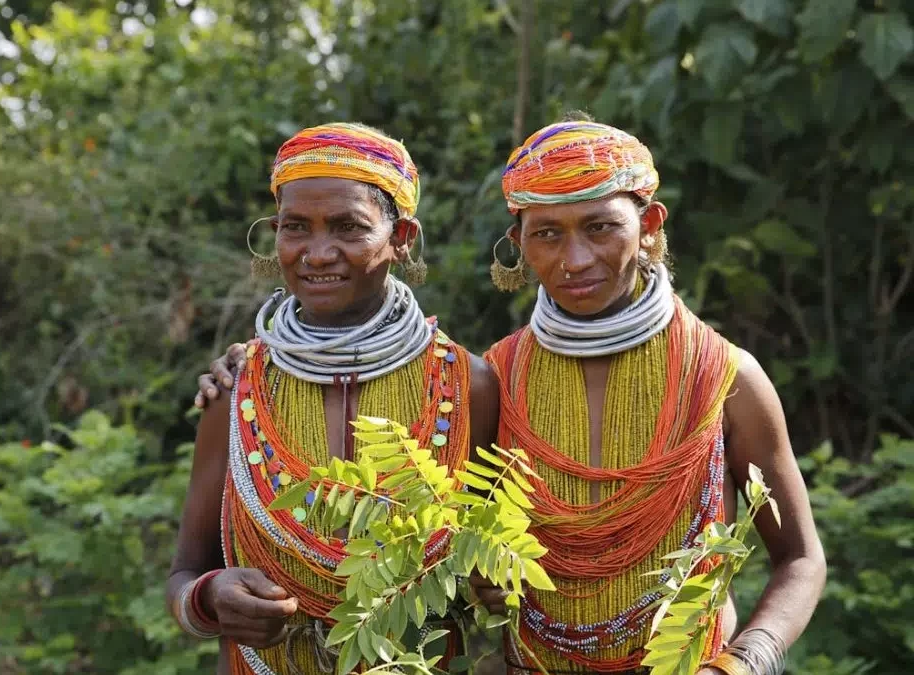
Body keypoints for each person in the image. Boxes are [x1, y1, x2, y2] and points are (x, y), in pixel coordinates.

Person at [200, 117, 826, 675]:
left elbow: (799, 558)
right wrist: (482, 583)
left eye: (602, 227)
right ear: (519, 243)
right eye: (547, 233)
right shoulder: (496, 379)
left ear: (650, 224)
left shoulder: (725, 378)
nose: (575, 258)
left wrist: (743, 662)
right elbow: (460, 548)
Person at [168, 122, 499, 675]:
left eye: (349, 227)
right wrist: (210, 597)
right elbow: (183, 573)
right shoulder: (238, 391)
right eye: (296, 228)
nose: (318, 254)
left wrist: (491, 586)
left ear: (402, 238)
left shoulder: (467, 386)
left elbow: (487, 564)